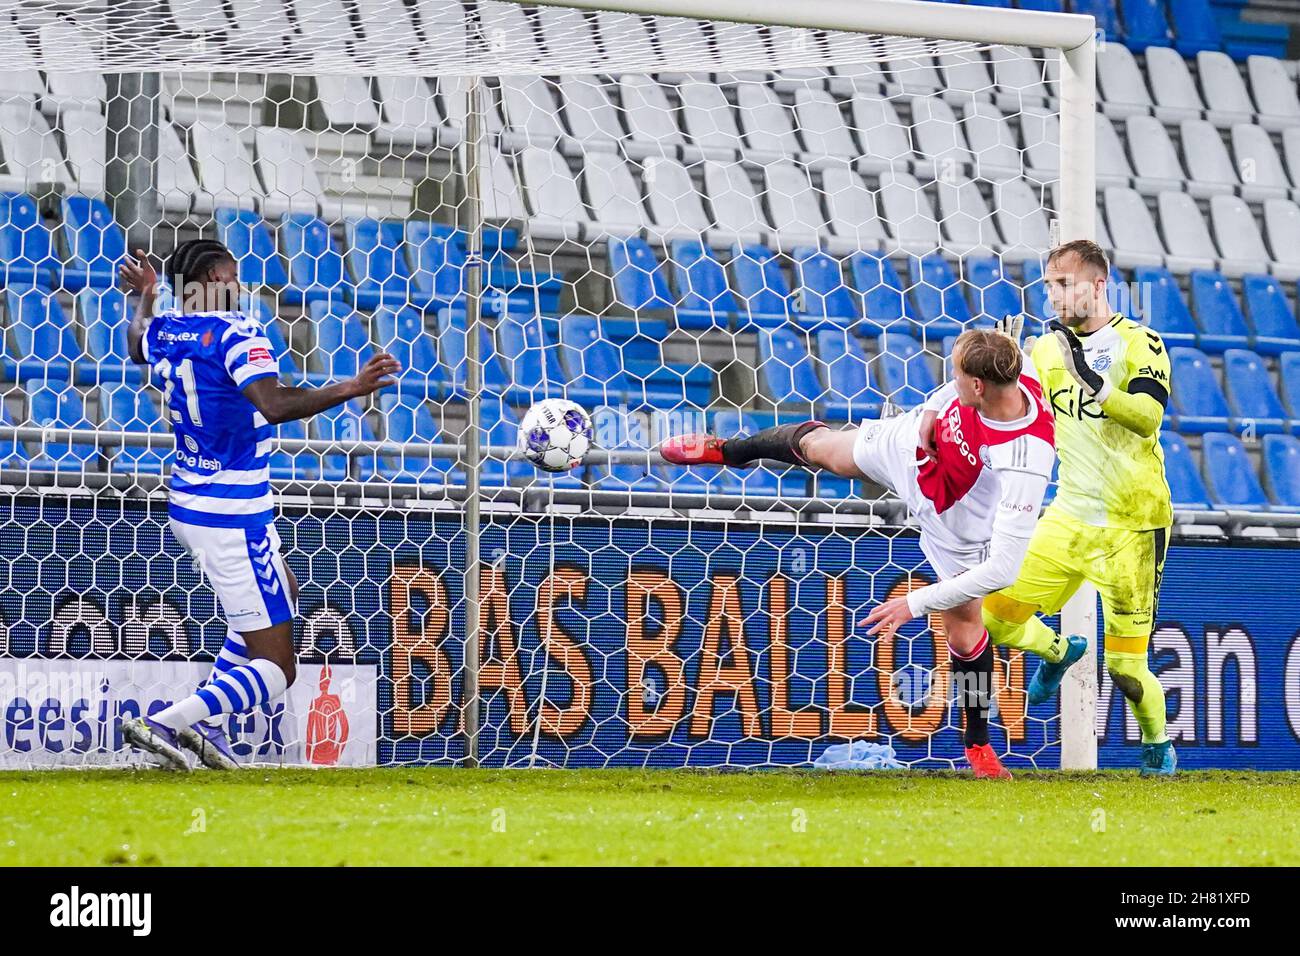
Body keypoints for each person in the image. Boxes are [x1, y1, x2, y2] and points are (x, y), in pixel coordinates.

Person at [661, 328, 1056, 779]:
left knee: (964, 637)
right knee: (820, 448)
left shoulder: (1026, 457)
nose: (951, 376)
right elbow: (961, 382)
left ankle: (979, 747)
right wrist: (930, 411)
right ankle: (727, 450)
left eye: (957, 373)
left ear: (980, 387)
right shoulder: (1009, 364)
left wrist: (913, 603)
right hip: (911, 446)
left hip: (957, 527)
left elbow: (1003, 569)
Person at [117, 239, 400, 770]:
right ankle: (166, 723)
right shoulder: (237, 333)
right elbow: (272, 404)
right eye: (229, 277)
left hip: (194, 500)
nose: (238, 285)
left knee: (284, 593)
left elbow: (135, 344)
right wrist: (353, 386)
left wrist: (147, 297)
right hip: (230, 514)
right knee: (279, 668)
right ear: (207, 283)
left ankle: (210, 724)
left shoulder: (166, 328)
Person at [984, 239, 1177, 776]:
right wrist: (1002, 369)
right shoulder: (1045, 350)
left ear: (1098, 285)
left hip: (1133, 525)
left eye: (1064, 284)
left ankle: (1157, 748)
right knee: (994, 620)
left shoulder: (1142, 342)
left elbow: (1146, 418)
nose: (1054, 295)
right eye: (1048, 285)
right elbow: (1012, 415)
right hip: (1069, 516)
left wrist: (1085, 376)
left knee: (1125, 669)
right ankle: (1059, 650)